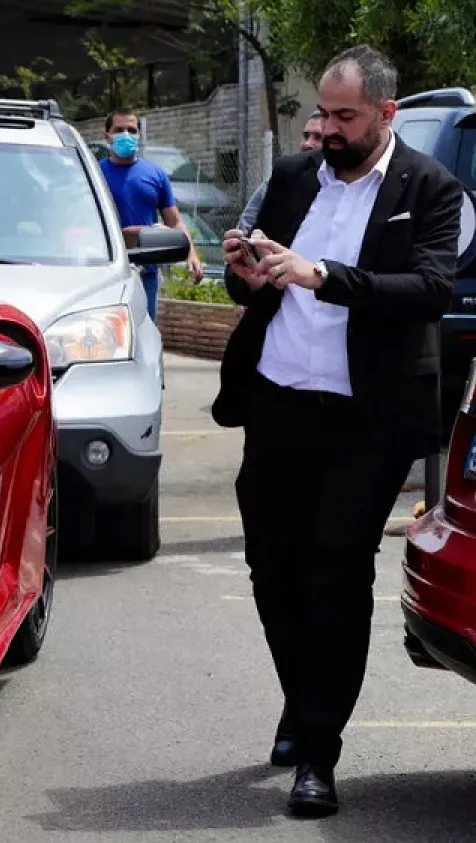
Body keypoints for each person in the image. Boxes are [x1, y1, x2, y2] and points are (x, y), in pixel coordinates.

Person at [214, 44, 464, 818]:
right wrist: (247, 272)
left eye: (343, 115)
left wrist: (321, 275)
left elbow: (429, 288)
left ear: (386, 114)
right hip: (281, 405)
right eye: (321, 112)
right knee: (273, 565)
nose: (325, 128)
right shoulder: (292, 179)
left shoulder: (431, 186)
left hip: (370, 417)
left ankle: (318, 750)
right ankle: (304, 694)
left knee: (336, 569)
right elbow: (251, 284)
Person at [97, 107, 204, 319]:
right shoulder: (95, 173)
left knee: (146, 333)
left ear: (139, 135)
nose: (126, 135)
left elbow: (174, 222)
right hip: (107, 271)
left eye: (132, 130)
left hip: (146, 273)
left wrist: (191, 253)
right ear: (107, 136)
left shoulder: (156, 175)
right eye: (119, 130)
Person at [237, 111, 326, 231]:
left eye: (318, 137)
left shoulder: (338, 187)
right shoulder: (281, 180)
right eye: (306, 136)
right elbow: (246, 225)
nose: (307, 144)